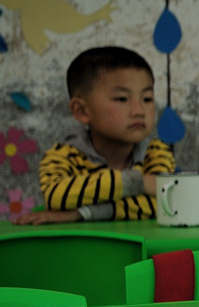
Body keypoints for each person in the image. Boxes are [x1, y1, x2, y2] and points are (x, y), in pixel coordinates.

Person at [14, 46, 175, 225]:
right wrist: (138, 183)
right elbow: (56, 196)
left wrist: (81, 214)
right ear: (81, 110)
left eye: (147, 99)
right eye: (122, 99)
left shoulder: (155, 152)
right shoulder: (63, 155)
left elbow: (164, 203)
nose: (139, 111)